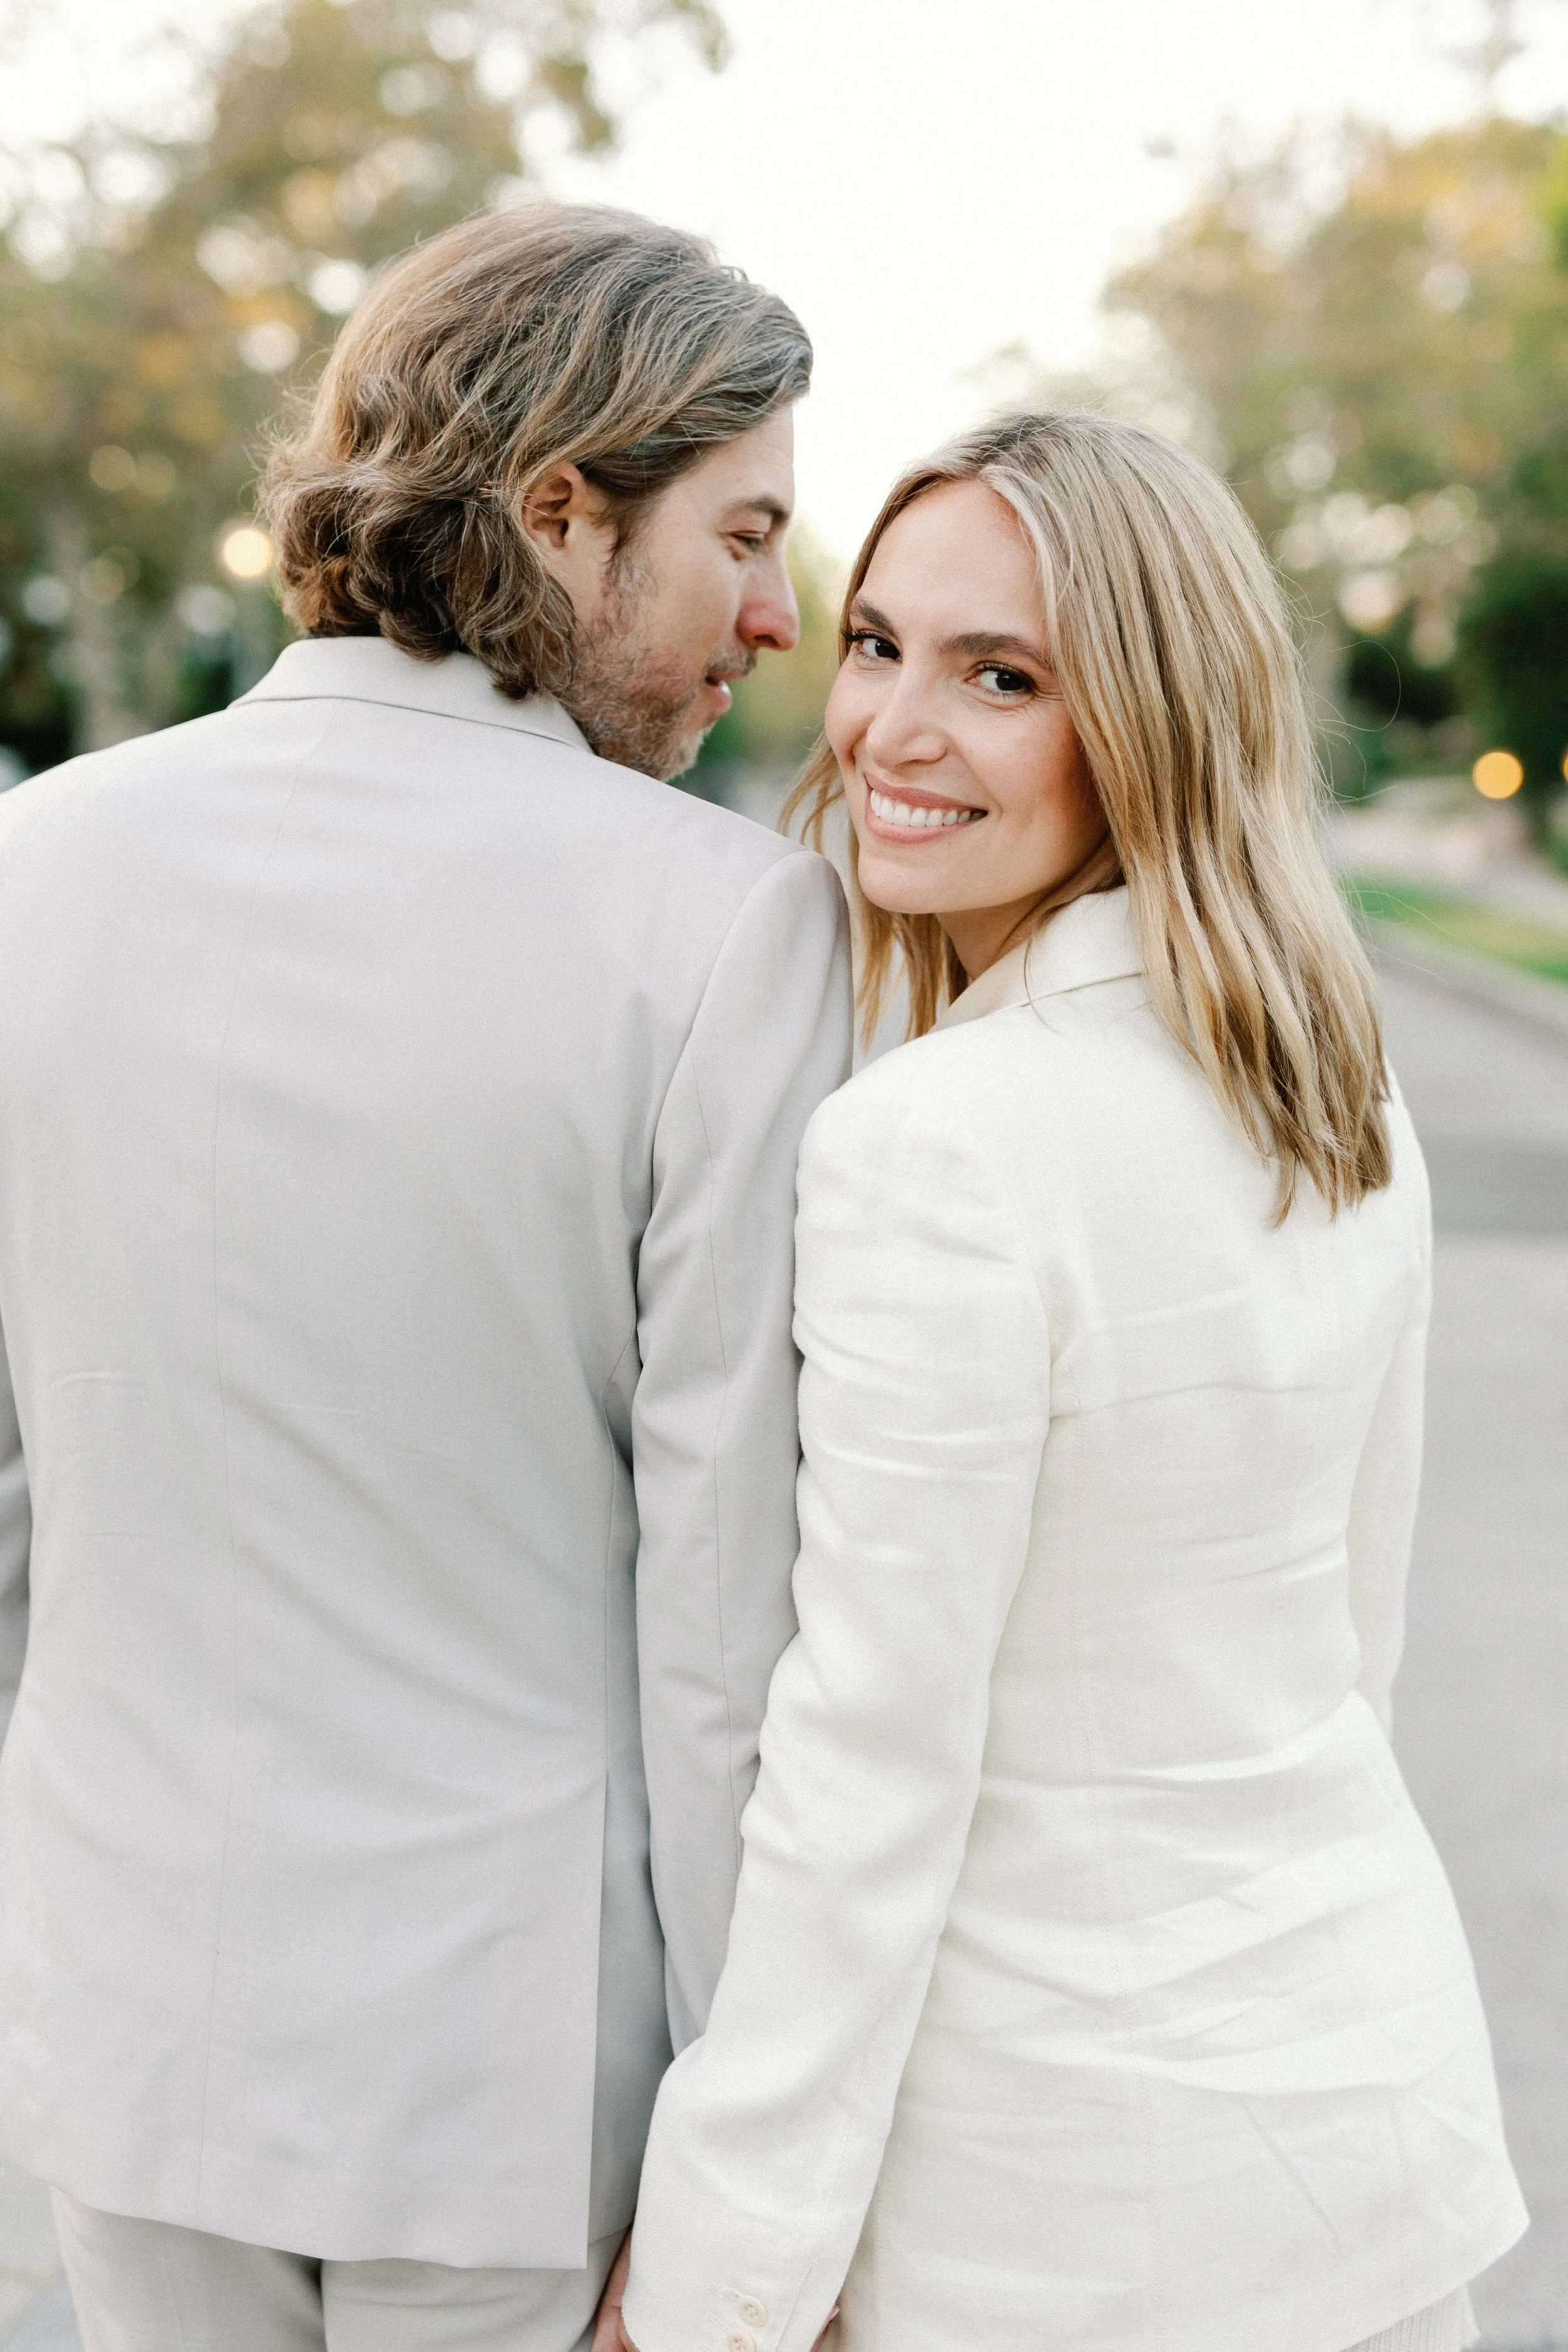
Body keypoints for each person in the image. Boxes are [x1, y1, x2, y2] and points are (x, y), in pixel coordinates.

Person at [0, 204, 851, 2352]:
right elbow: (721, 1616)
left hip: (113, 2029)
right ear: (564, 509)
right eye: (740, 535)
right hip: (502, 2084)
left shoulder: (38, 864)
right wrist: (767, 2175)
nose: (774, 615)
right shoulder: (722, 924)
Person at [616, 411, 1527, 2352]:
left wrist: (717, 2279)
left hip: (1080, 2216)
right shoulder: (1336, 1091)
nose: (889, 730)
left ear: (1152, 723)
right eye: (877, 644)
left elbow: (869, 1758)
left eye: (999, 676)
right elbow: (1348, 1645)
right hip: (1357, 2140)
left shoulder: (934, 1145)